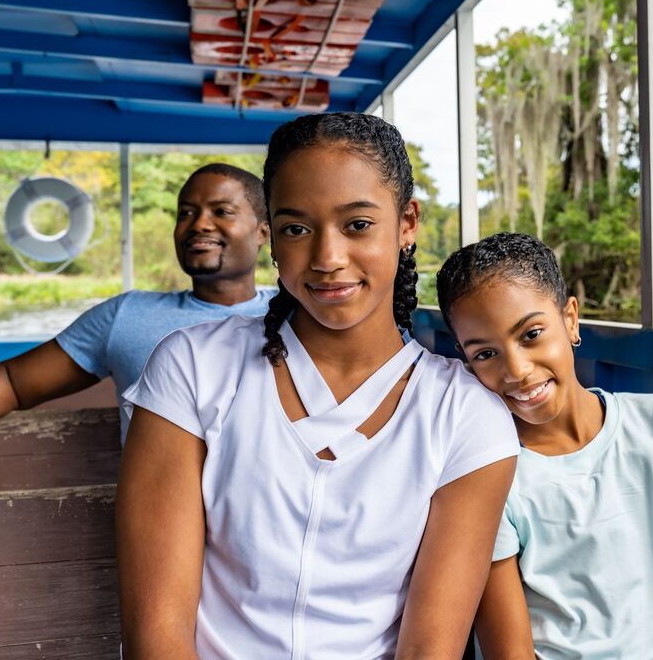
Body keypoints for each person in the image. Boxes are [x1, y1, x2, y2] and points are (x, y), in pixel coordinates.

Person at [116, 113, 519, 658]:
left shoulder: (465, 415)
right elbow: (158, 638)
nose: (328, 259)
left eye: (357, 225)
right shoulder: (192, 367)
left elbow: (429, 651)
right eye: (297, 228)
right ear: (272, 239)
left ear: (406, 224)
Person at [437, 232, 653, 660]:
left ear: (570, 319)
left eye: (531, 334)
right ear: (464, 358)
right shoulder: (488, 473)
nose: (516, 370)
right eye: (485, 354)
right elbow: (510, 653)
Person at [0, 164, 275, 444]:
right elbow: (12, 383)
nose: (198, 225)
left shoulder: (295, 313)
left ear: (263, 231)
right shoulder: (128, 315)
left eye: (221, 211)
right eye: (185, 213)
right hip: (160, 500)